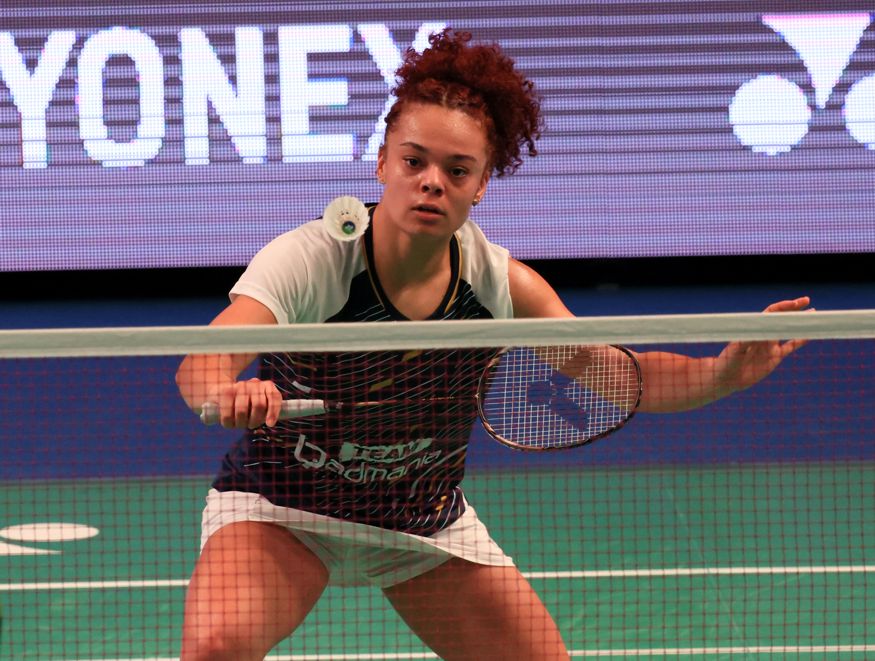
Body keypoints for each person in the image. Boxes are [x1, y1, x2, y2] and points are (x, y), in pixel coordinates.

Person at [175, 29, 811, 661]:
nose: (432, 183)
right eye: (414, 162)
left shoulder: (498, 284)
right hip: (285, 509)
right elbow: (202, 362)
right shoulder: (314, 259)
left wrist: (722, 373)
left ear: (481, 184)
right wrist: (226, 392)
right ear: (382, 162)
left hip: (419, 521)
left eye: (457, 170)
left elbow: (618, 374)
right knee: (216, 647)